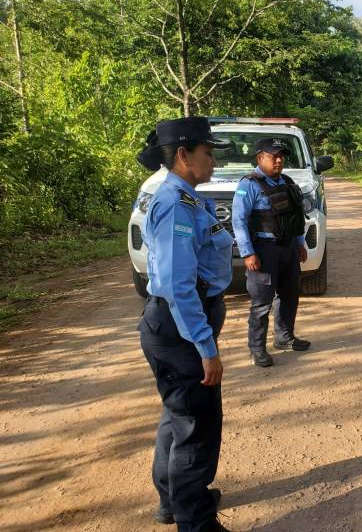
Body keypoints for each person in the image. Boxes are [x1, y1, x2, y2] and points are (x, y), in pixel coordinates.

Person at [136, 116, 233, 532]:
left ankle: (173, 500)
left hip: (173, 327)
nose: (213, 161)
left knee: (177, 416)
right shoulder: (176, 202)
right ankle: (195, 521)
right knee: (196, 426)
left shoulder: (187, 196)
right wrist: (205, 347)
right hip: (180, 331)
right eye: (207, 153)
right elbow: (179, 286)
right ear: (182, 156)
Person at [232, 138, 311, 368]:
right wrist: (247, 253)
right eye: (273, 156)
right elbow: (238, 220)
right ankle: (257, 348)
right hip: (264, 251)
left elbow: (295, 217)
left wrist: (299, 243)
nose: (278, 160)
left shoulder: (286, 182)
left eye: (281, 156)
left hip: (287, 248)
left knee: (289, 294)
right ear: (260, 158)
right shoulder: (249, 184)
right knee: (261, 302)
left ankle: (284, 337)